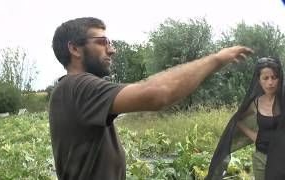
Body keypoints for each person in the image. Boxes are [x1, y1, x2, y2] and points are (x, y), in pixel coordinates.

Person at [49, 17, 253, 180]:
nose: (112, 49)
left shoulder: (71, 89)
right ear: (74, 49)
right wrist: (217, 59)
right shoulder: (78, 87)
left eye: (109, 42)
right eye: (102, 42)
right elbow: (157, 93)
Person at [206, 57, 285, 180]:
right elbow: (237, 120)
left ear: (279, 79)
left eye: (274, 77)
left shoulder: (283, 101)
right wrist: (255, 136)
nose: (270, 82)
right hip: (262, 159)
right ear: (259, 80)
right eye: (266, 78)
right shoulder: (255, 104)